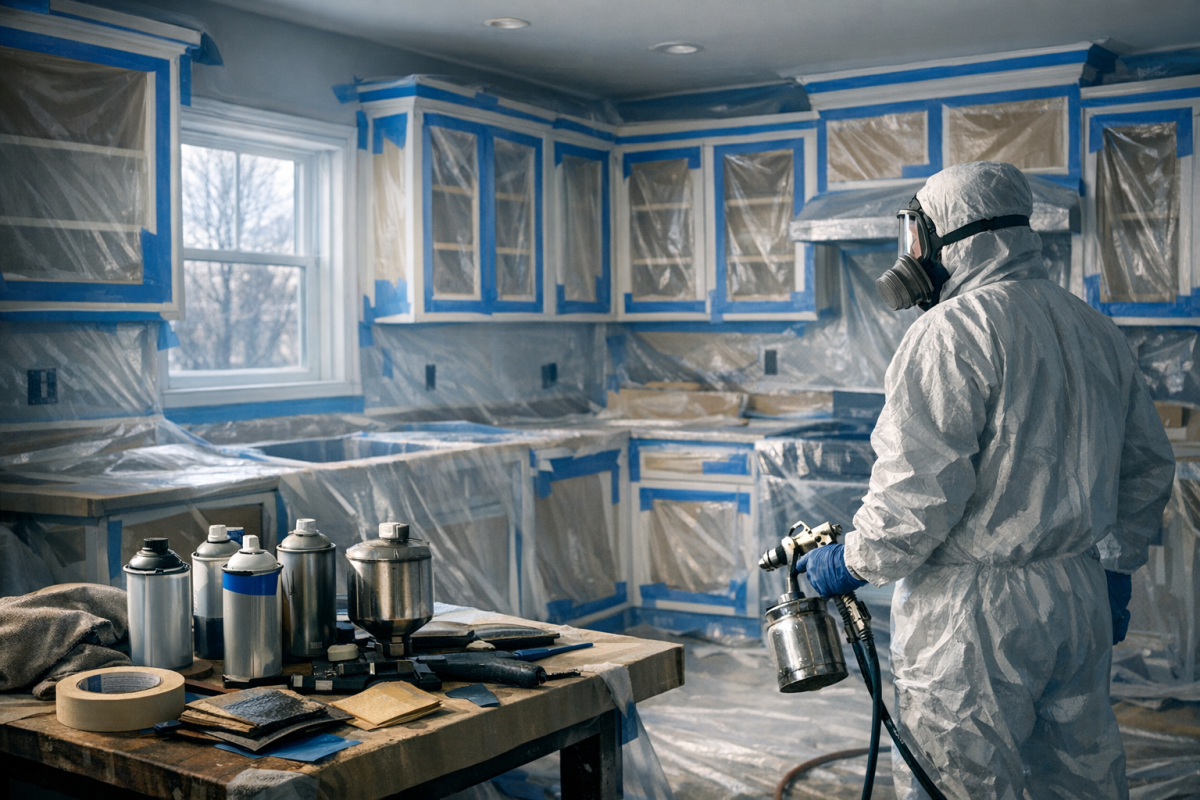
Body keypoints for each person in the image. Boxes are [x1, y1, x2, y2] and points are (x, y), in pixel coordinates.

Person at [795, 161, 1175, 800]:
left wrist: (852, 561)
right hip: (1077, 596)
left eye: (917, 235)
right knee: (1077, 777)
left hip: (972, 618)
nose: (911, 255)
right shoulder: (1094, 328)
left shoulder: (949, 333)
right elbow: (1145, 469)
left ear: (950, 239)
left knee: (959, 781)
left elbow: (913, 500)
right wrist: (1114, 568)